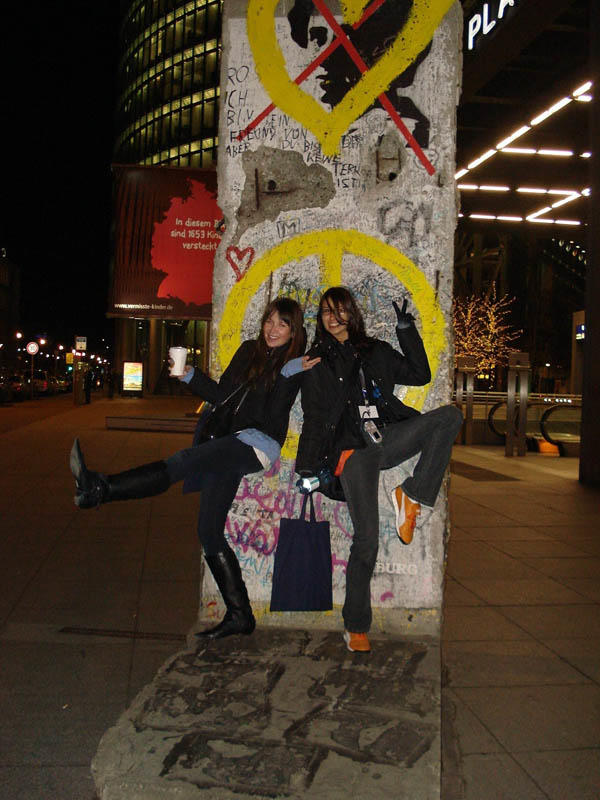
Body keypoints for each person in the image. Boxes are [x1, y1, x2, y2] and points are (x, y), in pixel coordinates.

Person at [70, 297, 319, 640]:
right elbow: (221, 395)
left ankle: (100, 488)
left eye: (282, 324)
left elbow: (271, 418)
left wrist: (289, 374)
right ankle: (240, 615)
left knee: (181, 462)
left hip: (257, 445)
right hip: (229, 442)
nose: (272, 329)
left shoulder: (293, 365)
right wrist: (187, 374)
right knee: (209, 531)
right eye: (269, 321)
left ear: (294, 331)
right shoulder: (249, 351)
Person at [296, 286, 462, 654]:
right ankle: (356, 625)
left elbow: (420, 374)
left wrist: (406, 330)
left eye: (340, 309)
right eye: (326, 311)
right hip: (352, 452)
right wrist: (307, 468)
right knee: (366, 539)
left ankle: (413, 494)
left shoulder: (376, 350)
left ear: (352, 313)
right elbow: (313, 417)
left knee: (449, 417)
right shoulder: (317, 360)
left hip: (386, 436)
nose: (333, 317)